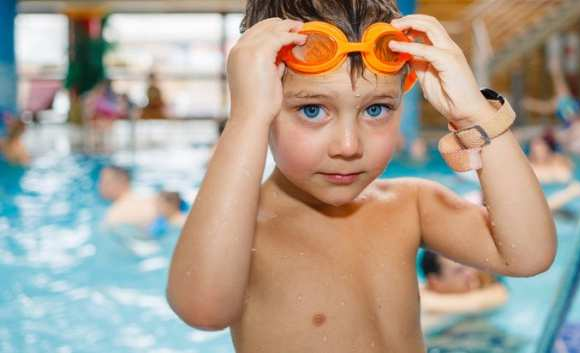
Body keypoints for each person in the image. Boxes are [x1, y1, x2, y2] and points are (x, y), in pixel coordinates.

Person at [167, 2, 556, 353]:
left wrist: (475, 114)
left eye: (375, 110)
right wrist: (245, 118)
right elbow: (203, 310)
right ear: (263, 104)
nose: (349, 146)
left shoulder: (411, 205)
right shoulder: (245, 232)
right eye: (313, 110)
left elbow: (528, 254)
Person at [419, 250, 508, 314]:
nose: (470, 273)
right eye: (459, 271)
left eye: (468, 266)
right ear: (434, 282)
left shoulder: (484, 283)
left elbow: (499, 294)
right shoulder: (417, 299)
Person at [99, 165, 158, 229]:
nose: (100, 186)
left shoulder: (114, 216)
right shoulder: (152, 200)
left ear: (121, 181)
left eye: (104, 182)